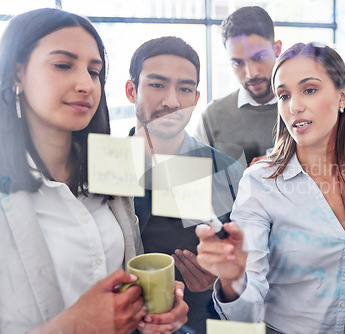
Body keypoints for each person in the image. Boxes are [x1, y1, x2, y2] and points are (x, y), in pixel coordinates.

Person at [196, 42, 345, 334]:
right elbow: (246, 309)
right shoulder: (261, 182)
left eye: (309, 90)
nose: (293, 106)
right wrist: (235, 281)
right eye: (284, 95)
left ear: (342, 96)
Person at [0, 8, 188, 333]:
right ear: (17, 74)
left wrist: (152, 310)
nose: (86, 84)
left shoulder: (110, 163)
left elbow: (131, 266)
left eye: (95, 71)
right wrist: (75, 325)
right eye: (63, 65)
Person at [126, 36, 244, 333]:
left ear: (196, 98)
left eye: (185, 89)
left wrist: (222, 281)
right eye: (156, 85)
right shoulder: (100, 168)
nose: (172, 101)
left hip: (200, 322)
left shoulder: (227, 172)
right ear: (131, 90)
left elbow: (254, 276)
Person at [192, 6, 282, 166]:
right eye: (238, 63)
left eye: (259, 57)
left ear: (277, 49)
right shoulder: (212, 117)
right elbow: (194, 182)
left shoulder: (302, 109)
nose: (251, 73)